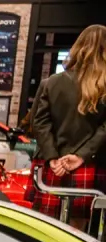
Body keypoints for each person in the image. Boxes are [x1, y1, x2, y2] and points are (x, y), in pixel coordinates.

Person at [27, 24, 106, 229]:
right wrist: (81, 156)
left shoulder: (51, 82)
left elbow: (38, 122)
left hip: (52, 165)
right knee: (79, 229)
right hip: (90, 164)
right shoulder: (104, 87)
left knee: (43, 226)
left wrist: (52, 157)